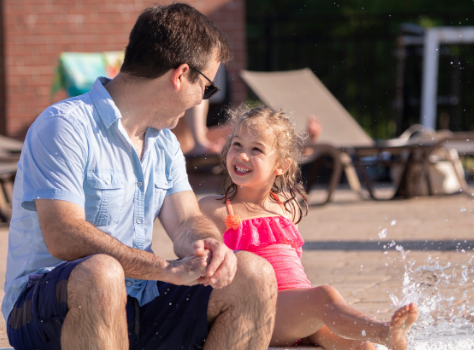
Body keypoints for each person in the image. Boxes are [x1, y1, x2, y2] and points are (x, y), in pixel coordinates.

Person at [2, 4, 278, 350]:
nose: (200, 101)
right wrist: (164, 268)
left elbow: (187, 220)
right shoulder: (65, 126)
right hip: (44, 307)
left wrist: (208, 245)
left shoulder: (162, 142)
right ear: (180, 76)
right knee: (102, 273)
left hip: (136, 300)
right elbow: (64, 235)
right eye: (206, 88)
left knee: (253, 273)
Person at [199, 105, 418, 350]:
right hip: (258, 313)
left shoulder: (284, 207)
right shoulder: (215, 209)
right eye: (237, 144)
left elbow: (303, 156)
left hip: (299, 315)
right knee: (323, 297)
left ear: (280, 166)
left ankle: (377, 337)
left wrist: (310, 140)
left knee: (361, 347)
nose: (242, 155)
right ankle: (384, 331)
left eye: (256, 149)